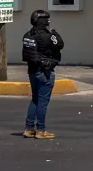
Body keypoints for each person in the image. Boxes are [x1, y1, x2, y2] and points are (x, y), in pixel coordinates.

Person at [21, 9, 64, 140]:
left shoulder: (28, 35)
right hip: (45, 71)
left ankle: (29, 128)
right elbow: (60, 44)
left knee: (35, 99)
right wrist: (54, 33)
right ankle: (41, 130)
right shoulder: (47, 36)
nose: (48, 22)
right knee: (43, 102)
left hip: (32, 71)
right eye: (46, 19)